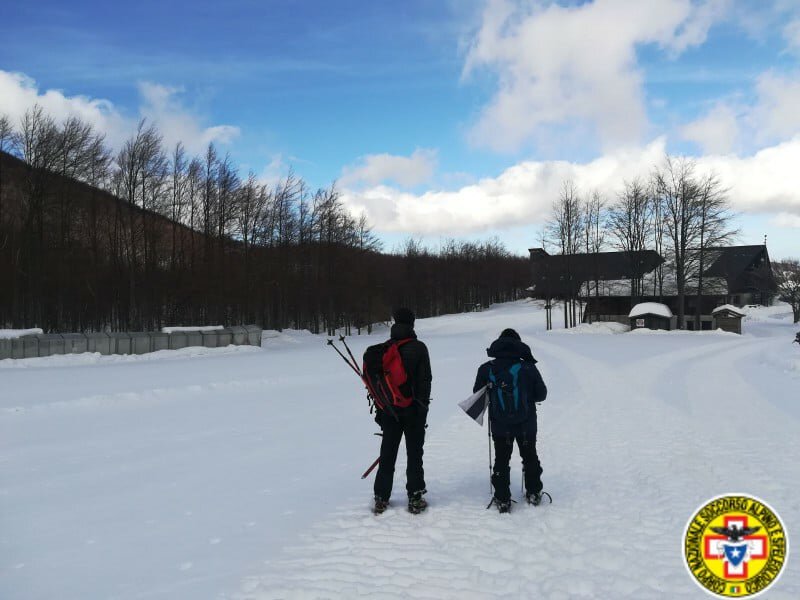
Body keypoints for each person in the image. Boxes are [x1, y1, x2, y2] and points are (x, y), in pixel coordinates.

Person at [473, 328, 547, 513]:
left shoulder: (486, 368)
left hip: (499, 424)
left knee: (501, 458)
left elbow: (478, 394)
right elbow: (541, 395)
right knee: (529, 455)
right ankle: (533, 492)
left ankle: (502, 497)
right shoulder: (528, 367)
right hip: (527, 423)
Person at [373, 307, 432, 515]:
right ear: (412, 324)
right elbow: (425, 381)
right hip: (414, 411)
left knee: (387, 453)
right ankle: (415, 497)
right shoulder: (419, 348)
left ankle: (381, 498)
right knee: (414, 453)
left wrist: (382, 410)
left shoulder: (384, 349)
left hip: (389, 411)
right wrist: (423, 408)